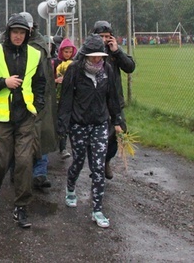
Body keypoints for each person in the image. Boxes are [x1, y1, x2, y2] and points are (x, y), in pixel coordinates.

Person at [0, 14, 47, 229]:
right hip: (1, 118)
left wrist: (37, 106)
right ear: (8, 33)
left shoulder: (36, 54)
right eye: (15, 32)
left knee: (25, 162)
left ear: (27, 34)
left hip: (26, 116)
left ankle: (21, 207)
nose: (18, 36)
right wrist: (4, 82)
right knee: (0, 161)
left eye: (22, 32)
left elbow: (40, 83)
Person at [57, 35, 124, 229]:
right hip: (79, 124)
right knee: (78, 161)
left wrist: (117, 119)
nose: (97, 60)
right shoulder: (74, 71)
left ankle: (97, 209)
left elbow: (112, 97)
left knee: (98, 166)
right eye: (93, 56)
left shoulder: (107, 70)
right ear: (85, 55)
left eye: (100, 56)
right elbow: (66, 99)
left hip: (100, 123)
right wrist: (63, 124)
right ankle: (70, 188)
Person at [18, 12, 58, 191]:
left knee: (40, 134)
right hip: (17, 97)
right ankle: (18, 172)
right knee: (19, 137)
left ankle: (40, 173)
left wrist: (42, 98)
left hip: (39, 97)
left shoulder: (40, 45)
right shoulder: (9, 44)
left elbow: (45, 75)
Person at [92, 21, 136, 179]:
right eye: (101, 36)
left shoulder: (115, 52)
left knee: (117, 133)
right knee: (97, 136)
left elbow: (130, 67)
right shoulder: (89, 52)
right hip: (95, 102)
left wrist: (116, 52)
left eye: (107, 36)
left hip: (114, 101)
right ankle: (96, 164)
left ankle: (106, 161)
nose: (104, 40)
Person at [54, 37, 77, 159]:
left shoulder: (75, 64)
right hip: (57, 95)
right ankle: (56, 142)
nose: (67, 54)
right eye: (65, 51)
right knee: (57, 120)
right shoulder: (55, 63)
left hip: (69, 96)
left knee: (65, 122)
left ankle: (63, 148)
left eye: (69, 52)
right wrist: (56, 81)